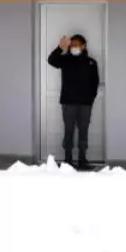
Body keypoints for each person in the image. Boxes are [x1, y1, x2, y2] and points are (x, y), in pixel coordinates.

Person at [47, 33, 101, 169]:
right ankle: (68, 160)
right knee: (68, 131)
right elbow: (51, 60)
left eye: (77, 45)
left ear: (83, 46)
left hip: (85, 104)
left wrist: (90, 99)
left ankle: (82, 160)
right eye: (72, 45)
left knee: (83, 131)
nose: (74, 47)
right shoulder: (65, 59)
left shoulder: (91, 62)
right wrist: (60, 48)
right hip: (68, 103)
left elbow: (95, 83)